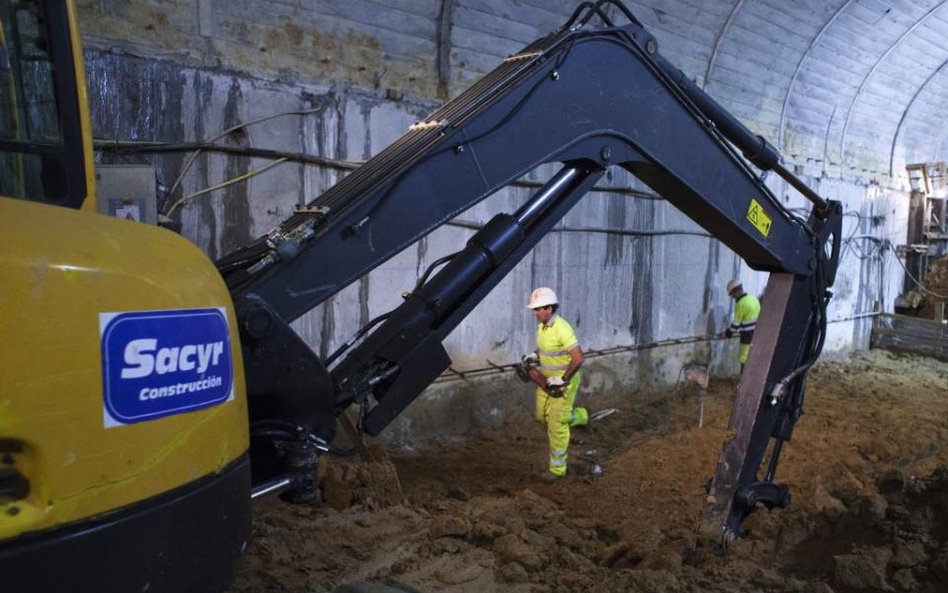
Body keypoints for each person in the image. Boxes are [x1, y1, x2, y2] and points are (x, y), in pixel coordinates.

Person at [522, 287, 589, 482]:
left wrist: (563, 379)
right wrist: (534, 355)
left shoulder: (562, 328)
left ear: (549, 309)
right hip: (547, 379)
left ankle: (557, 470)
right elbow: (545, 347)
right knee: (542, 415)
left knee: (556, 424)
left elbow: (578, 358)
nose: (534, 313)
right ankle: (581, 416)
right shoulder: (542, 326)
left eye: (538, 309)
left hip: (562, 382)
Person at [722, 279, 760, 374]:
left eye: (732, 294)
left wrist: (727, 333)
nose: (733, 297)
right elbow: (748, 320)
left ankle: (743, 382)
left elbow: (736, 325)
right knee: (754, 357)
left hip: (747, 336)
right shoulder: (753, 299)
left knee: (743, 358)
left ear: (736, 291)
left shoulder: (740, 304)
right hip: (758, 334)